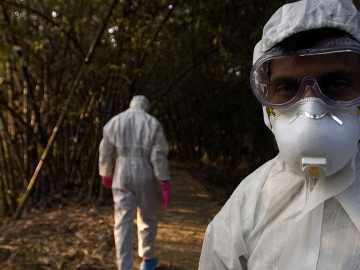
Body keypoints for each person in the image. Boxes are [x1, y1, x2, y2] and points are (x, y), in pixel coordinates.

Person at [198, 0, 360, 269]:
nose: (311, 108)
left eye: (336, 84)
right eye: (287, 87)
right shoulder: (247, 204)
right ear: (267, 104)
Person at [98, 95, 171, 270]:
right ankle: (147, 260)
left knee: (122, 221)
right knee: (147, 217)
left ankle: (125, 266)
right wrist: (164, 180)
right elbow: (158, 155)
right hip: (145, 171)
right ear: (145, 106)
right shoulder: (152, 123)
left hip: (121, 171)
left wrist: (106, 173)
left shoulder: (115, 121)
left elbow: (105, 151)